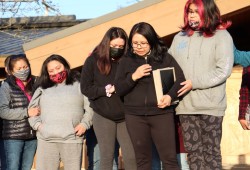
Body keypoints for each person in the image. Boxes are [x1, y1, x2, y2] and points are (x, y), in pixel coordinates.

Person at [168, 0, 234, 169]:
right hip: (186, 106)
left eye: (196, 11)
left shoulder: (222, 36)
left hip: (211, 106)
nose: (191, 15)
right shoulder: (179, 38)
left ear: (207, 12)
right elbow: (168, 66)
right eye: (189, 11)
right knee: (194, 155)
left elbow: (223, 70)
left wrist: (194, 83)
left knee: (210, 154)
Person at [114, 22, 185, 170]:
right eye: (135, 43)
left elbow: (180, 79)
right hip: (135, 117)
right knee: (142, 161)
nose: (139, 47)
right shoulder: (126, 61)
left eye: (143, 43)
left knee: (169, 160)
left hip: (162, 114)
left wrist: (170, 97)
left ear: (151, 41)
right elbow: (119, 89)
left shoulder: (164, 57)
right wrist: (134, 76)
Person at [80, 27, 136, 170]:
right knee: (106, 157)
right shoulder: (93, 60)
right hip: (103, 115)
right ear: (106, 44)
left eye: (121, 46)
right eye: (114, 46)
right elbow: (85, 88)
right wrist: (103, 91)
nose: (117, 49)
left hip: (126, 116)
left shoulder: (129, 60)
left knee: (131, 156)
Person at [28, 54, 94, 170]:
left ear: (65, 66)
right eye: (51, 70)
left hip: (72, 139)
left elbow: (91, 108)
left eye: (58, 68)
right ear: (47, 73)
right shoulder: (42, 88)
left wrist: (84, 124)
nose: (55, 72)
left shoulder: (79, 85)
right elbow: (32, 111)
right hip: (46, 140)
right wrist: (38, 126)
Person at [0, 54, 37, 170]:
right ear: (11, 71)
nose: (23, 70)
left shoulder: (37, 82)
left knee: (27, 166)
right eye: (19, 69)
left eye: (25, 67)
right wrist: (26, 112)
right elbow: (3, 111)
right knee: (13, 167)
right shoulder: (6, 87)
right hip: (13, 136)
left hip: (33, 135)